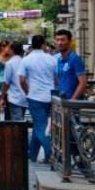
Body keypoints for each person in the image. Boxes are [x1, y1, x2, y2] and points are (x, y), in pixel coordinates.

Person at [19, 34, 57, 164]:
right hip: (50, 96)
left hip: (35, 96)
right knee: (39, 125)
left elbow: (22, 80)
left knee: (40, 126)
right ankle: (32, 153)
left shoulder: (26, 60)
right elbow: (56, 78)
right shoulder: (51, 59)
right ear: (43, 44)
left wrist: (27, 91)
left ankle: (50, 154)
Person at [54, 29, 87, 101]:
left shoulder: (75, 59)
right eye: (57, 40)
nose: (60, 43)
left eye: (63, 40)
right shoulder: (59, 60)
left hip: (73, 105)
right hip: (62, 102)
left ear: (70, 42)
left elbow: (83, 83)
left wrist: (72, 101)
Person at [1, 41, 27, 121]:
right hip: (25, 97)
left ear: (12, 50)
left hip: (14, 98)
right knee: (20, 120)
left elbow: (6, 83)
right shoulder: (25, 61)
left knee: (17, 123)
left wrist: (2, 97)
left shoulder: (10, 63)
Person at [0, 40, 12, 120]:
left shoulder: (11, 58)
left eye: (7, 46)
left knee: (8, 111)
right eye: (4, 46)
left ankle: (6, 130)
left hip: (9, 85)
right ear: (0, 47)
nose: (6, 48)